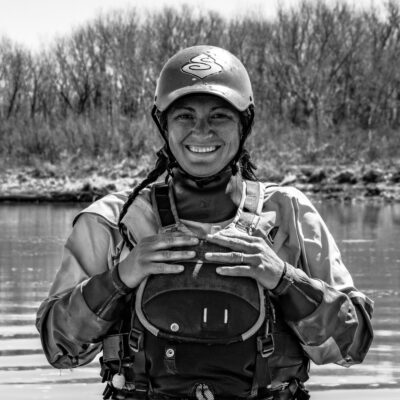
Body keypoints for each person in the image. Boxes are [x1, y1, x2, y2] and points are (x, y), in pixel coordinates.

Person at [36, 45, 374, 400]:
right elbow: (59, 347)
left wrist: (285, 279)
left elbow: (352, 345)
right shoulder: (113, 220)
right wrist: (120, 279)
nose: (201, 131)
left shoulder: (289, 211)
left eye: (219, 116)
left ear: (244, 124)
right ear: (163, 124)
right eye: (184, 116)